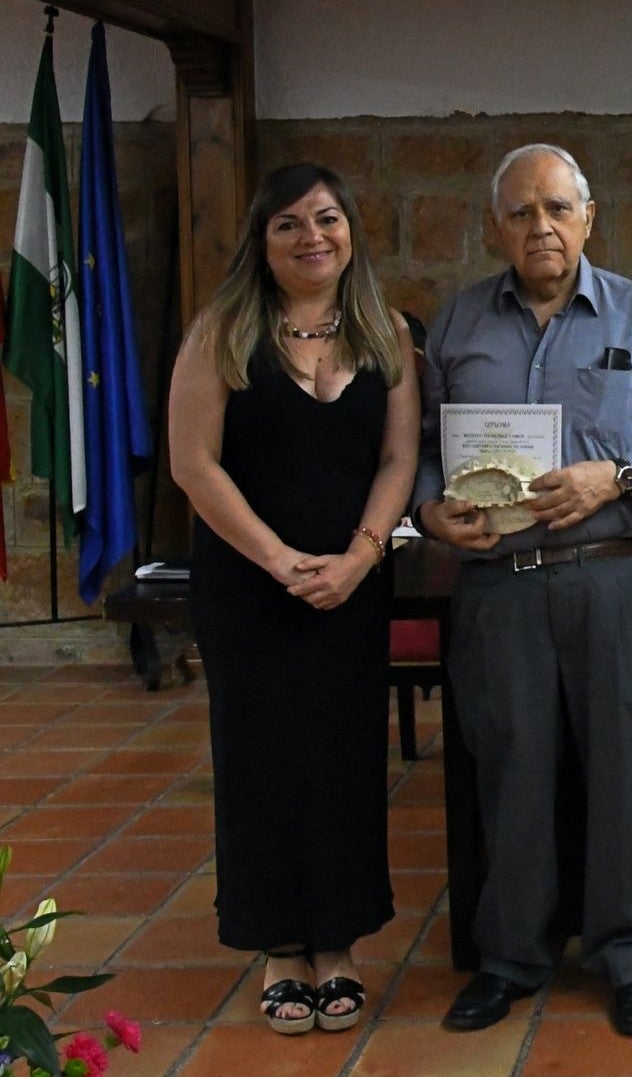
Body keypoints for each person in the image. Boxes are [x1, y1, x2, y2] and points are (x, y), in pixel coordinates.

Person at [416, 143, 632, 1038]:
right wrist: (431, 509)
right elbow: (423, 447)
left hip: (617, 579)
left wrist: (614, 477)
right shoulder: (457, 324)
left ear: (589, 218)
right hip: (500, 590)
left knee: (626, 778)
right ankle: (510, 955)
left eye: (556, 208)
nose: (539, 226)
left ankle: (630, 958)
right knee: (509, 774)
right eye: (520, 212)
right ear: (492, 227)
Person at [168, 163, 419, 1036]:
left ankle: (339, 943)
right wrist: (279, 561)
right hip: (249, 584)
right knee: (261, 757)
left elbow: (398, 461)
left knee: (346, 758)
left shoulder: (386, 331)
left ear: (351, 229)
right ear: (261, 239)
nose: (312, 237)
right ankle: (279, 946)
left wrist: (357, 558)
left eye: (327, 219)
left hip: (350, 585)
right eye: (289, 224)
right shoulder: (221, 332)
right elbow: (193, 464)